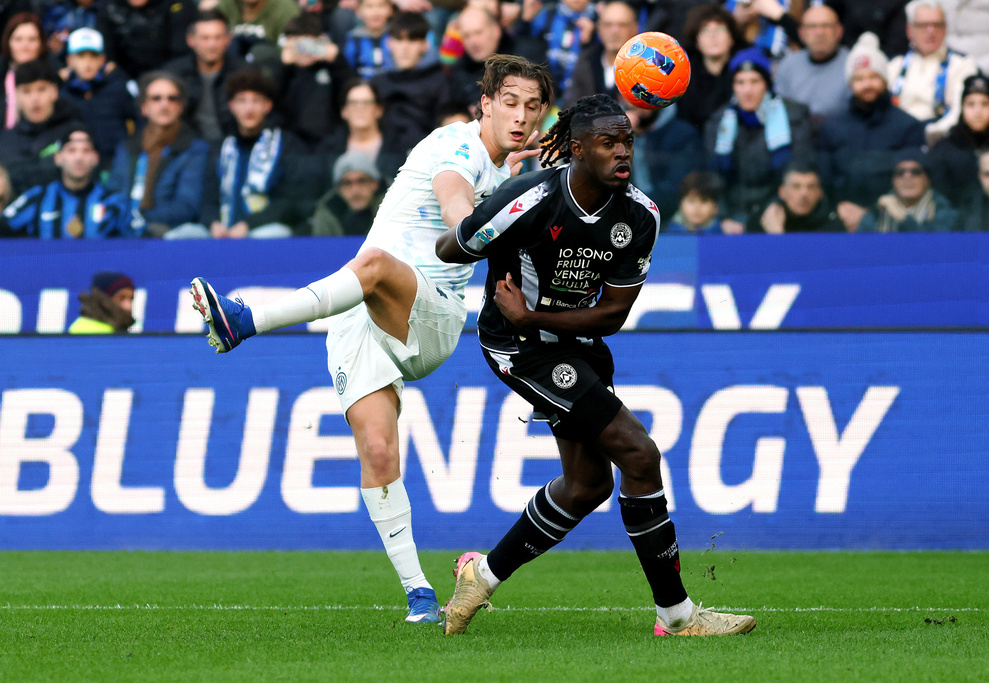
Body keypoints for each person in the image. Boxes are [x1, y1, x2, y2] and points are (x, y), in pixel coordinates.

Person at [188, 54, 554, 624]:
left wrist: (516, 187)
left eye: (533, 107)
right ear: (484, 103)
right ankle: (419, 594)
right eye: (510, 102)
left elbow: (472, 222)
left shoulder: (500, 168)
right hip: (361, 316)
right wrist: (512, 194)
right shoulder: (456, 147)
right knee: (379, 451)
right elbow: (460, 209)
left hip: (428, 318)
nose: (522, 116)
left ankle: (245, 321)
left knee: (375, 262)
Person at [433, 94, 755, 637]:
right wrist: (481, 222)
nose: (621, 152)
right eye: (608, 143)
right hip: (519, 346)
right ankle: (676, 616)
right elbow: (451, 248)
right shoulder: (526, 199)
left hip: (572, 342)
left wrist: (535, 309)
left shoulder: (641, 215)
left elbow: (614, 312)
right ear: (577, 149)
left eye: (626, 140)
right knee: (639, 451)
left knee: (586, 487)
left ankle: (480, 575)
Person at [168, 69, 312, 239]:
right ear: (231, 106)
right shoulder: (219, 147)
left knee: (273, 234)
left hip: (264, 229)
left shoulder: (288, 145)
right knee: (180, 235)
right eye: (241, 101)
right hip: (221, 231)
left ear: (268, 106)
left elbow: (290, 201)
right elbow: (208, 198)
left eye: (256, 101)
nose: (249, 108)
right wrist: (213, 223)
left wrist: (248, 225)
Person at [817, 32, 926, 231]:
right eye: (859, 78)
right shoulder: (832, 127)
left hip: (892, 224)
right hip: (840, 221)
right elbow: (824, 180)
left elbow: (910, 182)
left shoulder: (908, 126)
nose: (867, 84)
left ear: (885, 80)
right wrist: (837, 210)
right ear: (850, 84)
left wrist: (870, 216)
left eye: (873, 77)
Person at [706, 46, 813, 235]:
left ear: (767, 83)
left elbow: (796, 171)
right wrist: (723, 217)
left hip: (780, 214)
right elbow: (714, 176)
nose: (747, 90)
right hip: (731, 217)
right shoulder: (718, 123)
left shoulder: (794, 118)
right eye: (740, 82)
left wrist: (778, 208)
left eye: (755, 81)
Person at [107, 71, 209, 237]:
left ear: (181, 106)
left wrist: (140, 219)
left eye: (172, 98)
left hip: (168, 230)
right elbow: (113, 192)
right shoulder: (128, 147)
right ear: (144, 107)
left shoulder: (193, 149)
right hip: (124, 228)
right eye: (156, 98)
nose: (164, 104)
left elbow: (186, 206)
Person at [1, 127, 133, 238]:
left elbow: (144, 239)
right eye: (71, 150)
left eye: (86, 150)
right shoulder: (37, 197)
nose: (79, 158)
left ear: (95, 158)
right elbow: (4, 225)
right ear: (58, 158)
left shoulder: (115, 202)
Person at [888, 0, 978, 144]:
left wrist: (933, 133)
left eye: (937, 25)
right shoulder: (894, 66)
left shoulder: (963, 65)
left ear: (946, 29)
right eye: (923, 25)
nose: (931, 31)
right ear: (910, 30)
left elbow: (960, 112)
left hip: (940, 138)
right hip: (898, 138)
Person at [370, 11, 450, 157]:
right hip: (381, 160)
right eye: (399, 39)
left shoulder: (440, 82)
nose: (405, 47)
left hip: (428, 160)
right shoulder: (377, 83)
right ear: (389, 43)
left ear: (425, 45)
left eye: (412, 40)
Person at [0, 59, 84, 196]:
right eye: (26, 91)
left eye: (41, 89)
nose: (35, 99)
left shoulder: (75, 134)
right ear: (17, 97)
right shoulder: (5, 141)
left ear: (55, 91)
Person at [927, 74, 989, 210]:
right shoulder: (944, 148)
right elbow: (940, 197)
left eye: (985, 104)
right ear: (962, 108)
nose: (978, 112)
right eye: (970, 104)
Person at [165, 9, 245, 145]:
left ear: (228, 40)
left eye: (218, 37)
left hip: (235, 146)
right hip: (187, 149)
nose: (212, 45)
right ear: (190, 40)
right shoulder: (173, 74)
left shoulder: (244, 74)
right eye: (205, 38)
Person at [58, 28, 137, 165]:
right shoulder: (63, 93)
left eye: (93, 56)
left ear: (102, 60)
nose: (87, 63)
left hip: (116, 163)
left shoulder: (118, 88)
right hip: (78, 165)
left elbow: (138, 118)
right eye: (81, 56)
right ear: (69, 60)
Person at [275, 13, 353, 146]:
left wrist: (336, 59)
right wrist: (284, 66)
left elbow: (350, 91)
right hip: (292, 141)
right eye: (300, 45)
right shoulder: (287, 71)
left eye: (310, 44)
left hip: (329, 139)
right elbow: (273, 101)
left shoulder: (331, 67)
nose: (305, 50)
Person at [674, 3, 744, 134]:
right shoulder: (684, 75)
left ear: (732, 38)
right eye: (705, 30)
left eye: (720, 29)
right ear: (696, 40)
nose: (713, 36)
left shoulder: (744, 71)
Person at [774, 5, 850, 123]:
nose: (819, 32)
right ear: (801, 33)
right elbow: (778, 110)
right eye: (812, 26)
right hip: (797, 133)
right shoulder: (789, 65)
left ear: (839, 31)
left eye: (826, 26)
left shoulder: (852, 64)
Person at [857, 149, 958, 232]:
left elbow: (931, 247)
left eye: (916, 172)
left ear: (927, 179)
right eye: (900, 172)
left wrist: (902, 217)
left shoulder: (945, 213)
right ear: (893, 180)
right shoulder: (877, 214)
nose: (907, 177)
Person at [95, 0, 196, 80]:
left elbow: (181, 53)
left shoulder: (178, 5)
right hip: (125, 78)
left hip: (170, 76)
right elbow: (108, 53)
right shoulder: (110, 7)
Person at [563, 1, 636, 106]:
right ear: (599, 28)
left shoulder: (646, 67)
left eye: (622, 25)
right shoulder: (585, 61)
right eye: (608, 25)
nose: (614, 31)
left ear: (635, 28)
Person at [752, 162, 844, 233]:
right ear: (781, 192)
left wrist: (777, 237)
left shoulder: (833, 226)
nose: (804, 193)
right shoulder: (763, 221)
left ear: (820, 193)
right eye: (796, 186)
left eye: (811, 187)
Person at [310, 150, 384, 236]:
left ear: (375, 184)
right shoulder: (327, 214)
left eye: (362, 181)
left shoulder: (395, 208)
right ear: (339, 190)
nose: (355, 190)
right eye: (347, 183)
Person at [1, 13, 48, 131]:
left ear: (41, 44)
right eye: (18, 39)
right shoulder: (2, 73)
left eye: (31, 39)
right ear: (8, 42)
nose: (25, 46)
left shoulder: (53, 76)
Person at [68, 271, 136, 333]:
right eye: (121, 299)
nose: (128, 306)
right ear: (103, 299)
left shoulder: (120, 330)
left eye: (131, 299)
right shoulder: (86, 330)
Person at [343, 0, 393, 79]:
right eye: (369, 6)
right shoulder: (354, 39)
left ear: (390, 9)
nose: (376, 12)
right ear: (358, 11)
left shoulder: (396, 37)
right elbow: (348, 69)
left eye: (381, 6)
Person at [664, 170, 723, 234]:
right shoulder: (665, 233)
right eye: (691, 201)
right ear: (680, 204)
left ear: (715, 207)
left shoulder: (726, 233)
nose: (697, 207)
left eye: (704, 201)